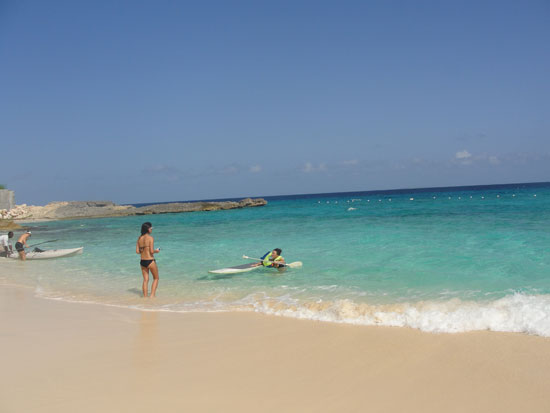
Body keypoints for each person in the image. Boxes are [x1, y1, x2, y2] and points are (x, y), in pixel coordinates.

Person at [136, 222, 160, 298]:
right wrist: (157, 251)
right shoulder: (150, 238)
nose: (151, 230)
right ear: (148, 229)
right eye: (151, 228)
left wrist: (143, 250)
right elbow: (151, 251)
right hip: (150, 260)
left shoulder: (139, 238)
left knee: (145, 280)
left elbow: (137, 251)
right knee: (156, 278)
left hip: (142, 261)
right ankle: (152, 296)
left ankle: (145, 297)